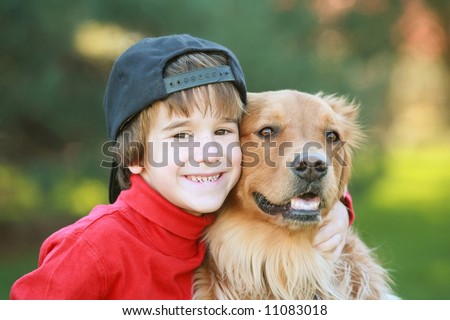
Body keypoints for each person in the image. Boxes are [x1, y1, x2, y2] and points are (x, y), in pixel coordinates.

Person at [10, 34, 354, 299]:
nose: (206, 153)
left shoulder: (210, 218)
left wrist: (335, 204)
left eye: (221, 131)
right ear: (134, 156)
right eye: (179, 136)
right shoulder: (95, 249)